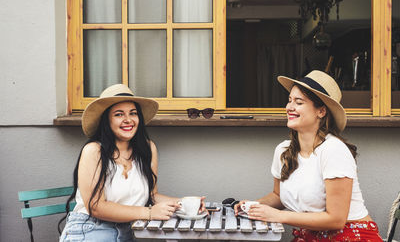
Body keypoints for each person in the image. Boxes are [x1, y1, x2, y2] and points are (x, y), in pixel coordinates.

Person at [234, 71, 383, 241]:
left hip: (350, 235)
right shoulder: (283, 151)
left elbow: (336, 220)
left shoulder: (333, 150)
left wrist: (277, 216)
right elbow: (278, 196)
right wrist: (255, 206)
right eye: (289, 100)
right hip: (310, 235)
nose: (290, 107)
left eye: (299, 102)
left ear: (321, 111)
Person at [60, 84, 205, 241]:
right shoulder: (94, 151)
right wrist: (149, 213)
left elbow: (152, 195)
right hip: (90, 229)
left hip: (126, 232)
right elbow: (96, 207)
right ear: (106, 120)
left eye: (133, 113)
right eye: (119, 114)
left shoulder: (148, 149)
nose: (128, 120)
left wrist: (185, 204)